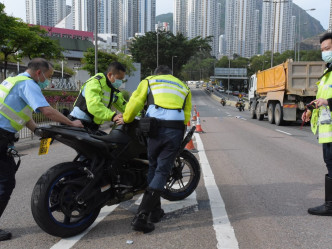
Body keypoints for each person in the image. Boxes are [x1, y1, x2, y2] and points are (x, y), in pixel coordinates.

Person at [0, 58, 83, 241]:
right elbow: (46, 111)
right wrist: (71, 122)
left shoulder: (14, 81)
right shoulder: (29, 85)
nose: (49, 80)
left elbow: (20, 114)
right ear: (39, 72)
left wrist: (37, 131)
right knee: (5, 182)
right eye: (49, 75)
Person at [123, 65, 192, 233]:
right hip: (174, 129)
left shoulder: (149, 81)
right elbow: (187, 114)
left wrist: (126, 118)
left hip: (152, 129)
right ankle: (144, 215)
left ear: (157, 74)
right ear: (171, 74)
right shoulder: (184, 86)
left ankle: (152, 212)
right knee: (162, 171)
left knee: (153, 167)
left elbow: (136, 101)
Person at [302, 32, 332, 216]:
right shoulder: (327, 73)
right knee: (330, 165)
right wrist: (310, 109)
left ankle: (330, 205)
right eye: (322, 50)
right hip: (327, 130)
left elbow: (327, 100)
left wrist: (328, 102)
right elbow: (321, 98)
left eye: (328, 49)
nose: (324, 53)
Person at [69, 62, 127, 131]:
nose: (120, 82)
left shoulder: (112, 89)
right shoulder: (95, 83)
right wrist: (113, 116)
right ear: (110, 75)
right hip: (78, 122)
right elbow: (94, 105)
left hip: (92, 125)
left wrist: (138, 114)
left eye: (122, 79)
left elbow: (123, 105)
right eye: (119, 79)